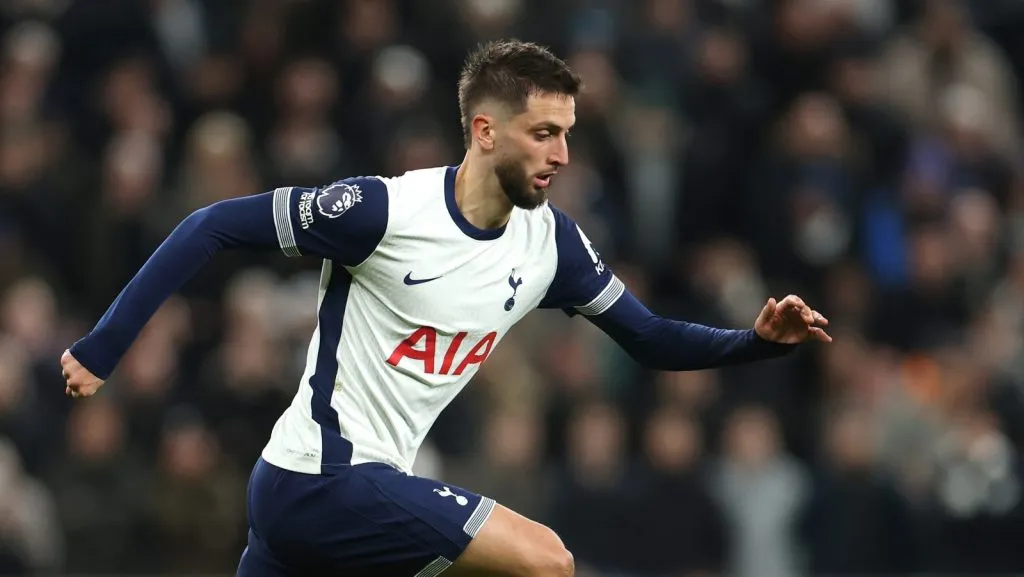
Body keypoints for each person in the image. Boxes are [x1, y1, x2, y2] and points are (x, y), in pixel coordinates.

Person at [60, 39, 831, 577]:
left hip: (343, 501)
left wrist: (757, 342)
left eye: (567, 134)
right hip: (321, 478)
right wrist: (103, 349)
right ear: (486, 131)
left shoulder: (550, 244)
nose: (562, 154)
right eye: (545, 133)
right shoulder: (385, 212)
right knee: (546, 559)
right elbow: (212, 224)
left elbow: (651, 337)